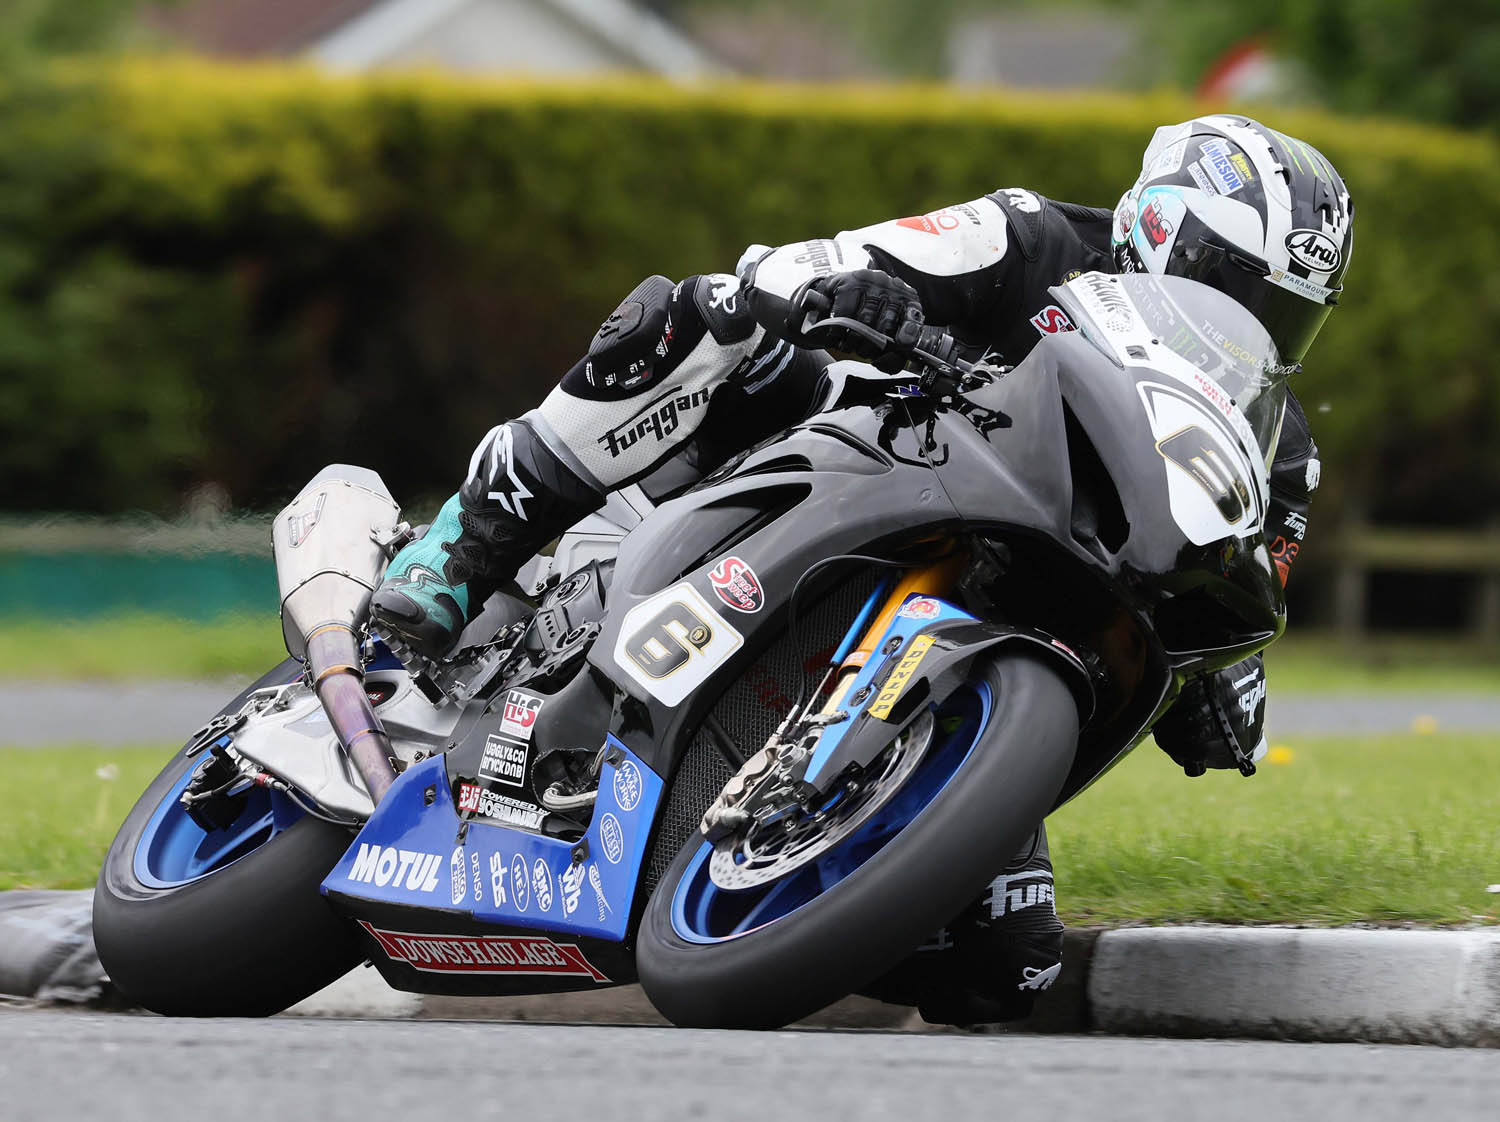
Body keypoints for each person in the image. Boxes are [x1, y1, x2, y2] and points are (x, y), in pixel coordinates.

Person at [370, 115, 1353, 1024]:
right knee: (711, 318)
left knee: (1005, 967)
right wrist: (844, 289)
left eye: (1283, 312)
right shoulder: (1030, 236)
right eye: (1234, 279)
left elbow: (1243, 590)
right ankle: (466, 544)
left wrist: (1225, 674)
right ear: (1158, 226)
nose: (1247, 315)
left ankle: (767, 864)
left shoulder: (1277, 446)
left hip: (1005, 624)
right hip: (852, 454)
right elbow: (797, 267)